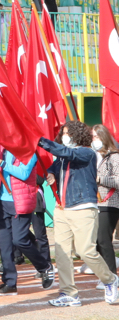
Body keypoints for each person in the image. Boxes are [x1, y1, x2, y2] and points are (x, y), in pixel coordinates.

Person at [39, 121, 119, 306]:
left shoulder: (86, 153)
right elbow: (53, 169)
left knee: (86, 251)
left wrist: (40, 141)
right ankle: (69, 293)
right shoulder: (62, 157)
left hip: (83, 208)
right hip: (62, 209)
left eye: (68, 133)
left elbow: (69, 154)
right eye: (63, 133)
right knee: (62, 253)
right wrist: (50, 174)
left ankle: (110, 279)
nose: (64, 137)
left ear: (77, 135)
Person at [0, 128, 52, 295]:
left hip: (19, 202)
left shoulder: (29, 152)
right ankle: (9, 283)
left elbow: (24, 173)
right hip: (2, 201)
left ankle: (44, 266)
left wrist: (2, 164)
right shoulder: (1, 147)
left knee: (20, 240)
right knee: (5, 244)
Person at [95, 125, 119, 277]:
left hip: (109, 203)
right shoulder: (93, 156)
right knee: (96, 241)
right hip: (95, 203)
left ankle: (111, 275)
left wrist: (100, 179)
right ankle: (105, 272)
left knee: (103, 240)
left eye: (96, 137)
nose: (93, 140)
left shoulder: (114, 157)